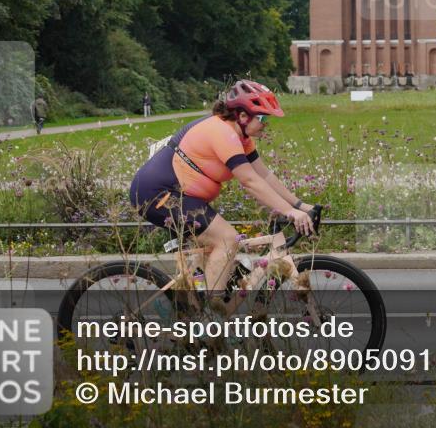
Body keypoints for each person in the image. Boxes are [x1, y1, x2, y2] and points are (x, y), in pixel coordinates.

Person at [129, 80, 315, 294]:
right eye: (262, 118)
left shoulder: (242, 137)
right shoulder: (222, 133)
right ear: (243, 116)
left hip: (181, 196)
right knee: (227, 239)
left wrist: (300, 205)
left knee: (222, 260)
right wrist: (291, 212)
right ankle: (211, 319)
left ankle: (197, 305)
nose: (266, 124)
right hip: (157, 193)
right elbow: (250, 181)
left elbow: (263, 175)